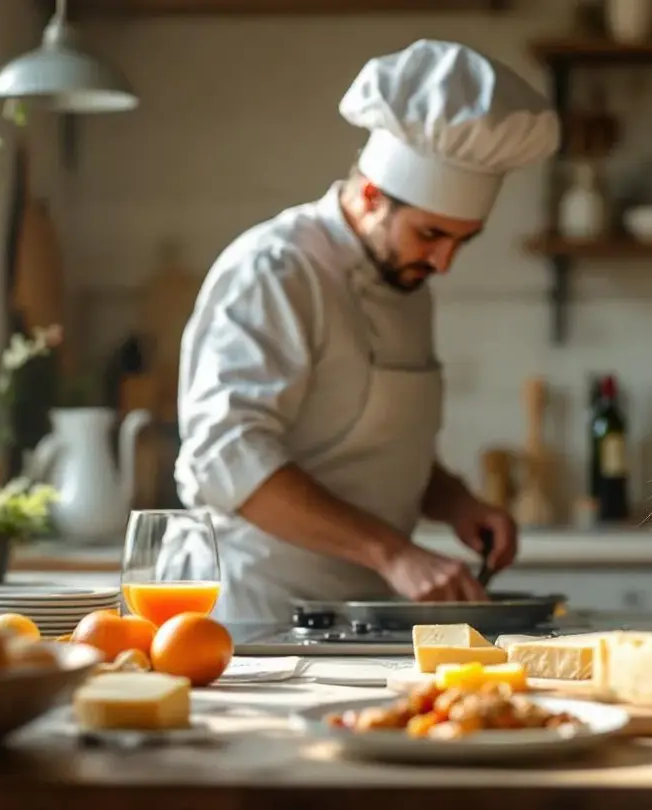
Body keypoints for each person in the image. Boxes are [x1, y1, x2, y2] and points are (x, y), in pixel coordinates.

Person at [171, 39, 561, 623]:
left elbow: (373, 450)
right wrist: (393, 552)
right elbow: (226, 456)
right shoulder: (276, 271)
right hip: (253, 607)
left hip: (360, 608)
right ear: (373, 195)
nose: (444, 263)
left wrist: (455, 502)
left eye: (463, 240)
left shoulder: (406, 281)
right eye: (431, 234)